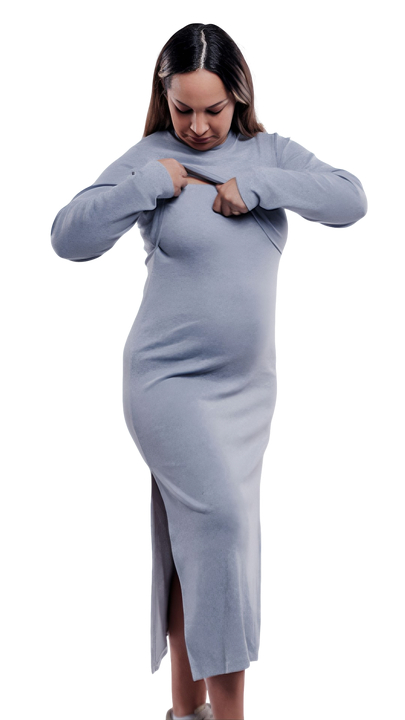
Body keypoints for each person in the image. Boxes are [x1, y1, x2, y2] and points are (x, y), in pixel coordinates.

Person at [50, 22, 367, 720]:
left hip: (247, 393)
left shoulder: (269, 153)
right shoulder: (150, 157)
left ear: (239, 97)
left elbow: (350, 199)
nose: (196, 126)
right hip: (167, 383)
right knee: (221, 529)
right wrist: (142, 187)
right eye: (182, 109)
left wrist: (257, 185)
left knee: (199, 543)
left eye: (213, 110)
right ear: (162, 98)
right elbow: (67, 237)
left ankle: (183, 711)